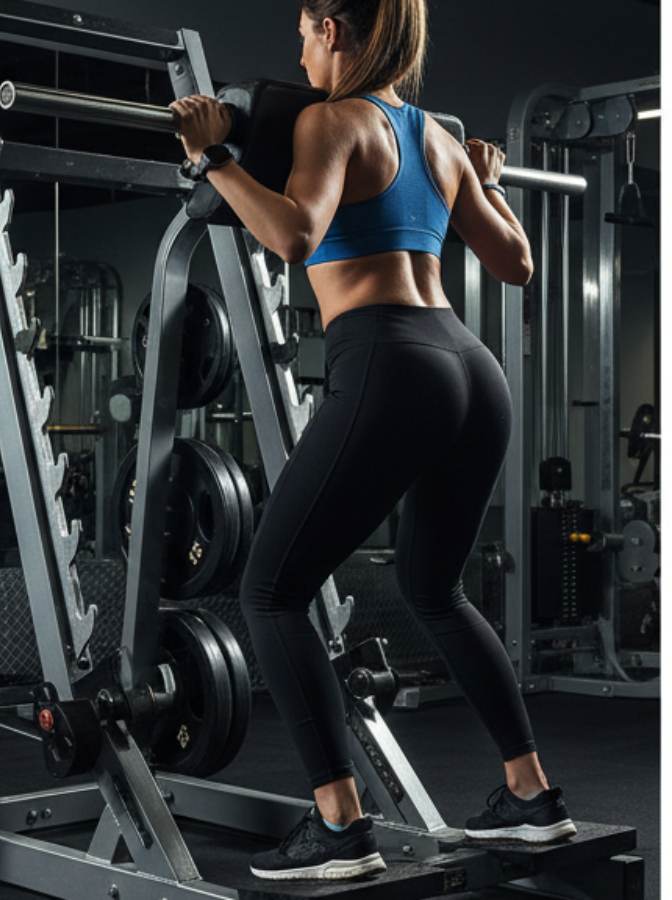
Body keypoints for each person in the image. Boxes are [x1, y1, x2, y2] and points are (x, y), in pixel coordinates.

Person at [169, 0, 575, 883]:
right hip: (472, 368)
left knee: (271, 590)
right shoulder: (435, 137)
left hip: (390, 360)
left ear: (337, 32)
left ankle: (340, 822)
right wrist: (487, 179)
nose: (300, 48)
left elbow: (290, 234)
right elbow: (516, 264)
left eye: (305, 30)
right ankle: (532, 795)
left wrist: (210, 155)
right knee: (435, 588)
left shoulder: (332, 121)